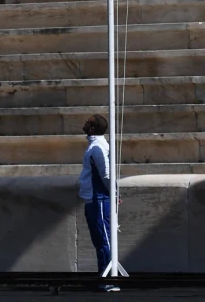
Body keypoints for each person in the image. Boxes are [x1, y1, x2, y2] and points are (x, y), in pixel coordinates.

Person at [79, 114, 119, 292]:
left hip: (99, 199)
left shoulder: (98, 148)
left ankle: (109, 278)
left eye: (88, 122)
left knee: (104, 240)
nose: (85, 123)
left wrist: (114, 193)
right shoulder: (95, 146)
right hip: (93, 199)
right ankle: (103, 275)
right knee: (99, 240)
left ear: (93, 128)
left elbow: (106, 175)